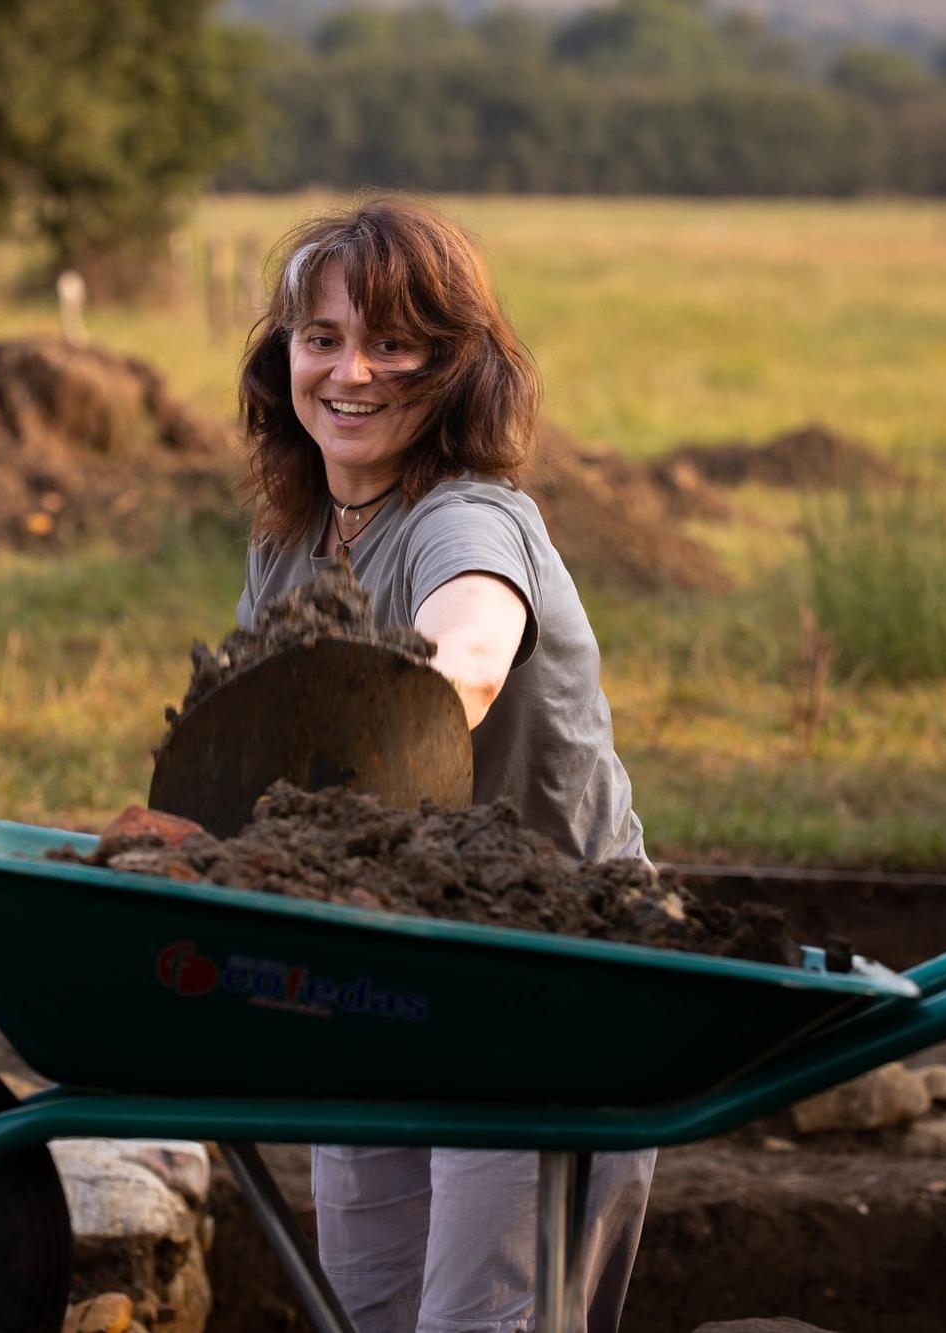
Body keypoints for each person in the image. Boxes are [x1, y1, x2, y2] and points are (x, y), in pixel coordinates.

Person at [232, 197, 656, 1333]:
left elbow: (464, 657)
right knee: (366, 1312)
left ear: (455, 364)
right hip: (379, 976)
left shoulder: (467, 520)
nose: (350, 371)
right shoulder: (288, 546)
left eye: (391, 342)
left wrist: (368, 721)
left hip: (543, 988)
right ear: (284, 360)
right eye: (320, 338)